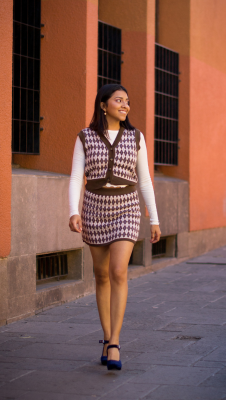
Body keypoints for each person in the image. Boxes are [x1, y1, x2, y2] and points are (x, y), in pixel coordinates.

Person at [68, 84, 161, 371]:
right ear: (103, 105)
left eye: (128, 101)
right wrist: (73, 211)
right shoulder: (85, 137)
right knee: (101, 275)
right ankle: (107, 336)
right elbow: (75, 178)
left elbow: (144, 180)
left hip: (127, 208)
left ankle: (116, 342)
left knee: (118, 270)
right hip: (94, 208)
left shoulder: (136, 137)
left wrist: (154, 218)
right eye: (119, 100)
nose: (125, 105)